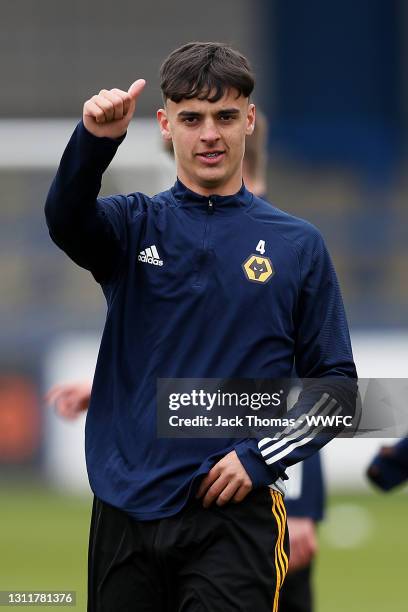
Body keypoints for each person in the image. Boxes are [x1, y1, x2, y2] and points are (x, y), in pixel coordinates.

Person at [44, 41, 357, 612]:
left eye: (225, 117)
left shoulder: (300, 245)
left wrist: (261, 457)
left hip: (234, 521)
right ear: (165, 125)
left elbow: (337, 390)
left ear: (249, 120)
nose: (209, 133)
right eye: (191, 118)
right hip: (125, 509)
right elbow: (65, 220)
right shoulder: (132, 225)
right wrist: (94, 142)